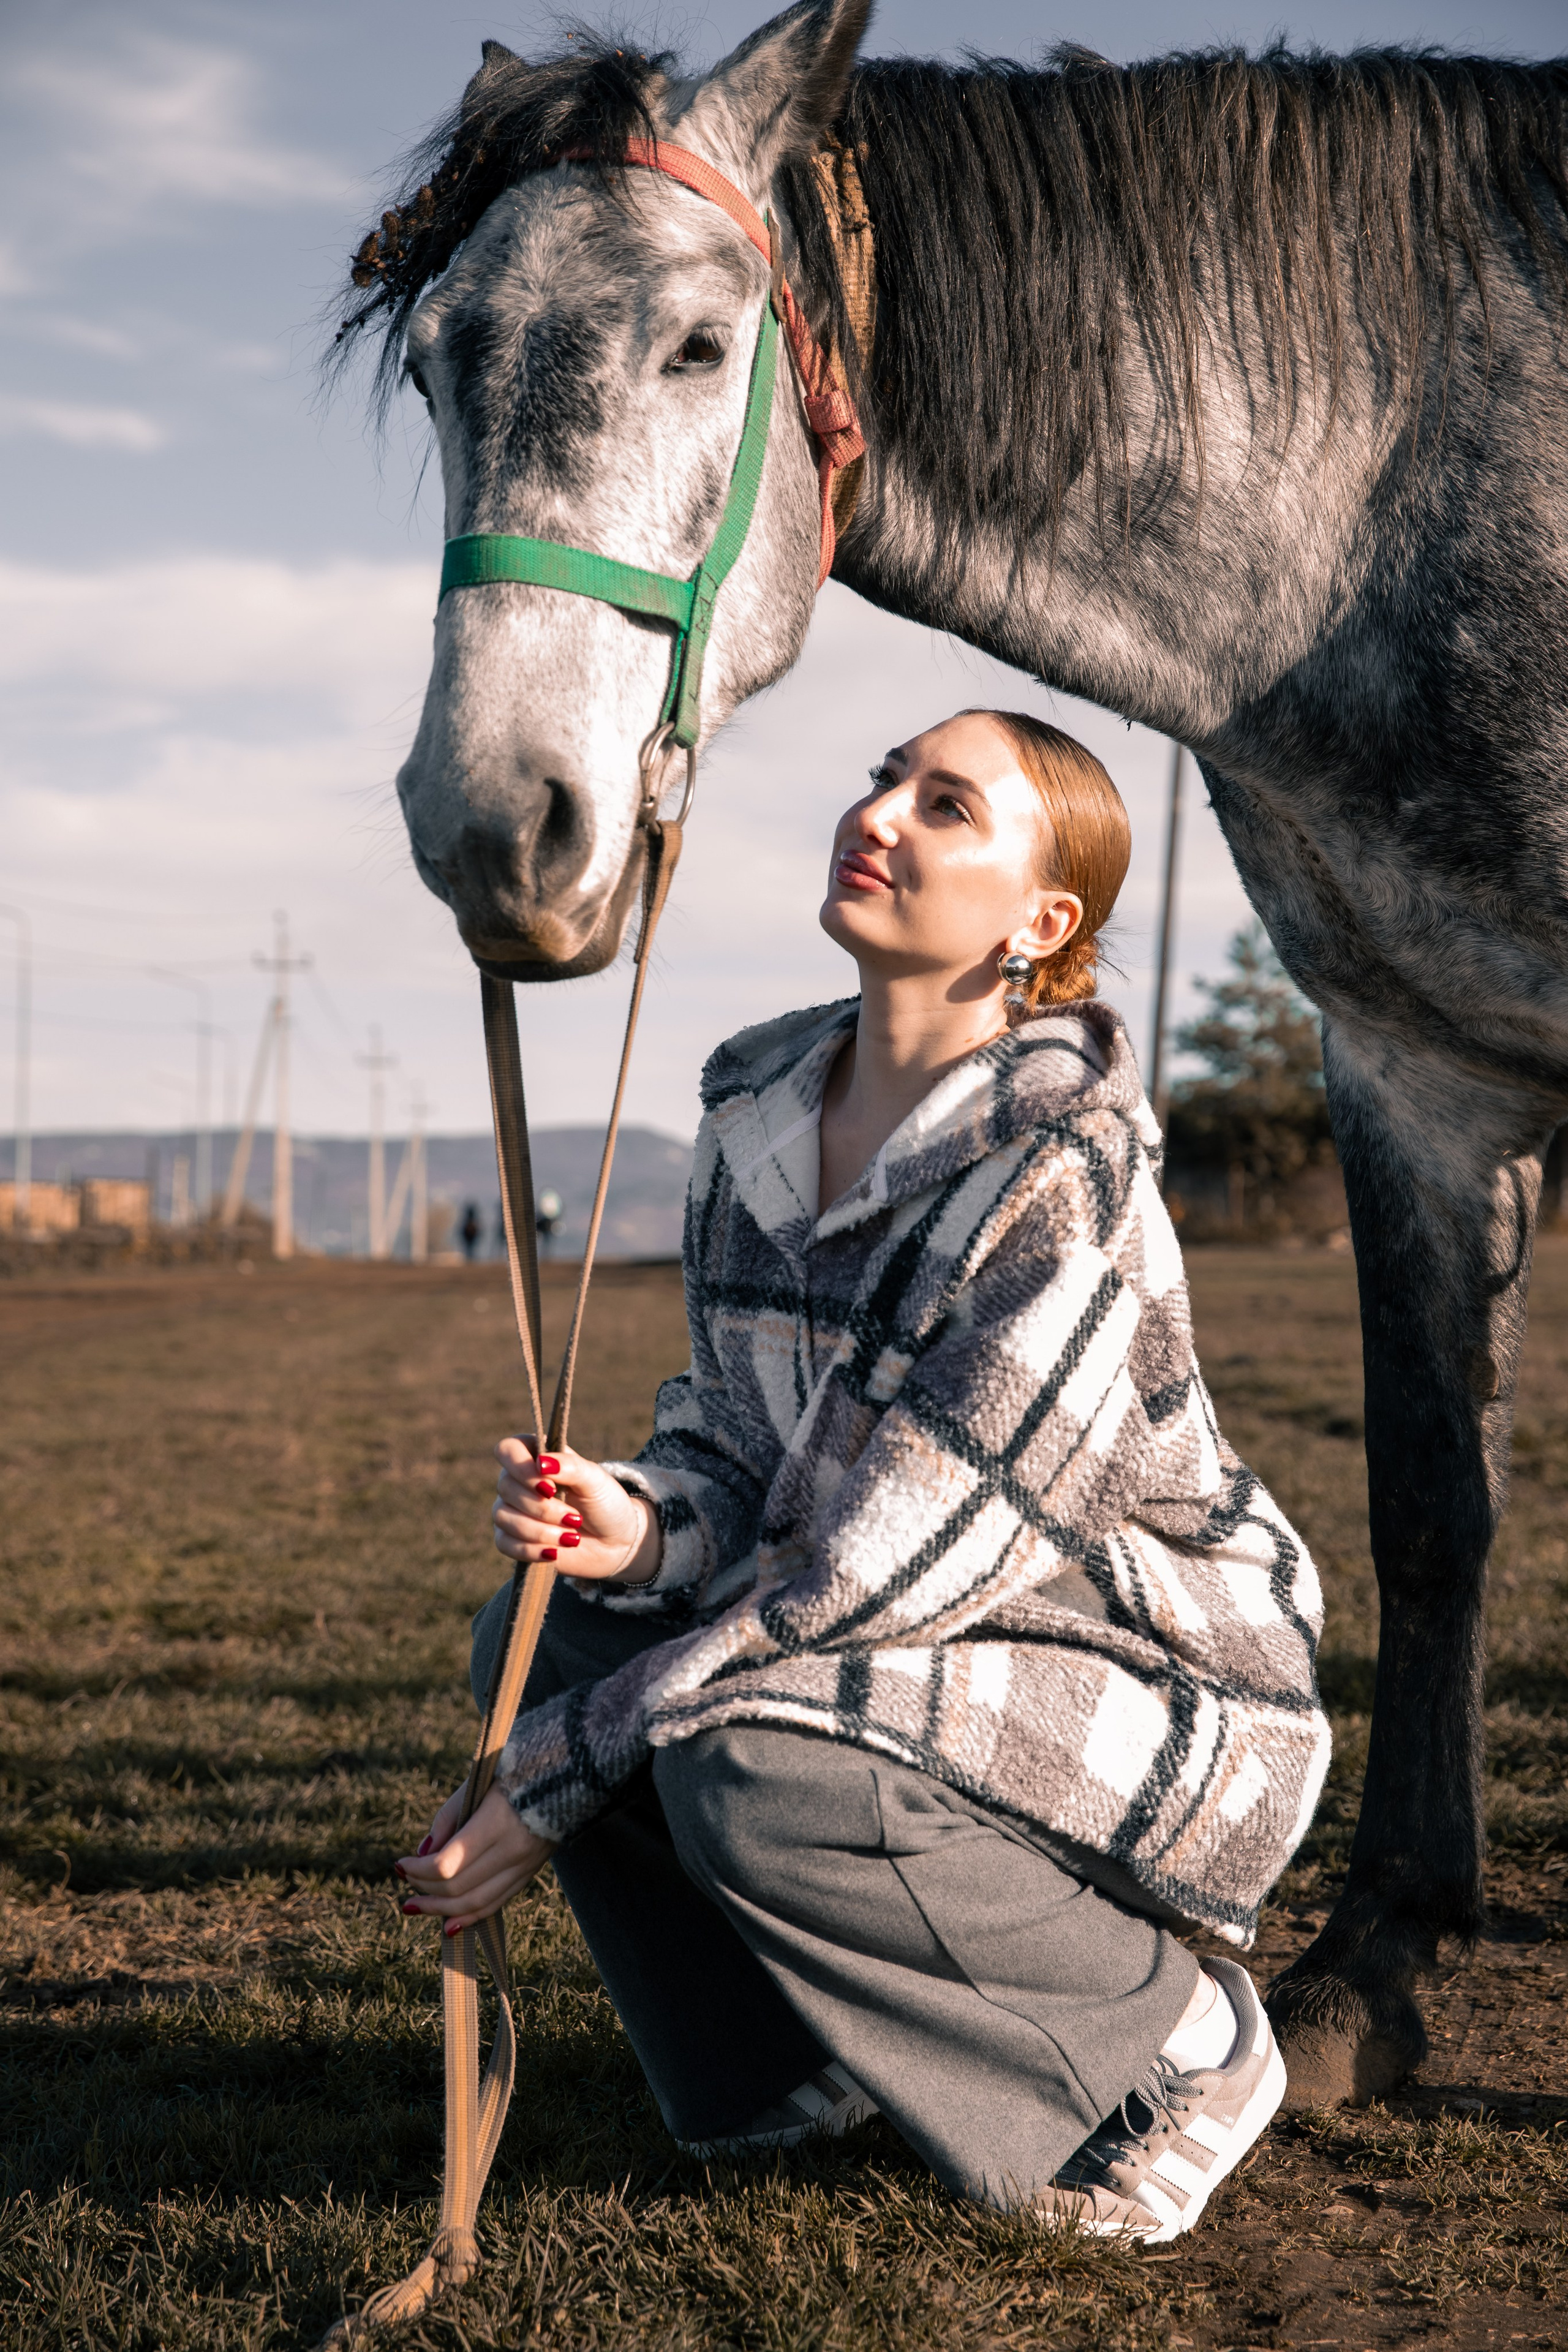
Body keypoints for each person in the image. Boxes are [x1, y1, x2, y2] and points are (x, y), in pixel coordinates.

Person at [398, 709, 1330, 2239]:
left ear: (1043, 923)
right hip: (889, 1618)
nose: (881, 811)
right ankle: (783, 2071)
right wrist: (632, 1523)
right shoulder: (757, 1115)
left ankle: (1166, 2051)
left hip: (1127, 1654)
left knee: (742, 1759)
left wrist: (559, 1769)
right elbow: (733, 1447)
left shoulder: (1065, 1169)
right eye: (884, 776)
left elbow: (876, 1573)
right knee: (538, 1634)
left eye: (946, 805)